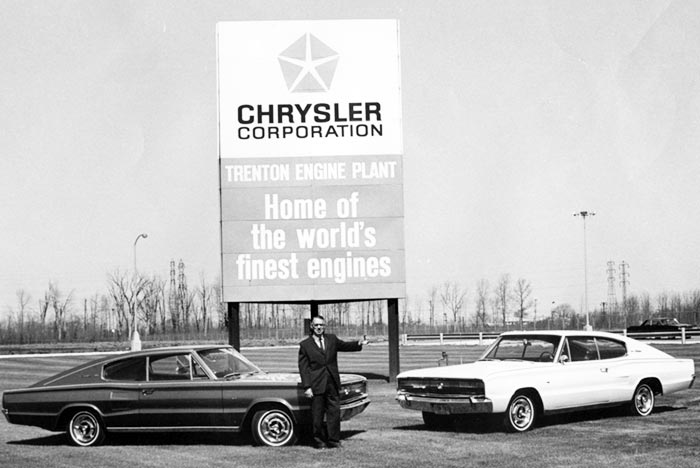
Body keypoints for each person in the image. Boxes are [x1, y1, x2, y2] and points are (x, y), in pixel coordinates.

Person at [298, 315, 368, 449]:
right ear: (312, 327)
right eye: (316, 325)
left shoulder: (332, 339)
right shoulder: (305, 345)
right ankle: (318, 441)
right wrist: (307, 387)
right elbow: (303, 368)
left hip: (332, 383)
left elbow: (345, 346)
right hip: (316, 384)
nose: (319, 327)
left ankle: (334, 440)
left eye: (321, 325)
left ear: (324, 326)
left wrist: (358, 343)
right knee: (317, 415)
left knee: (334, 413)